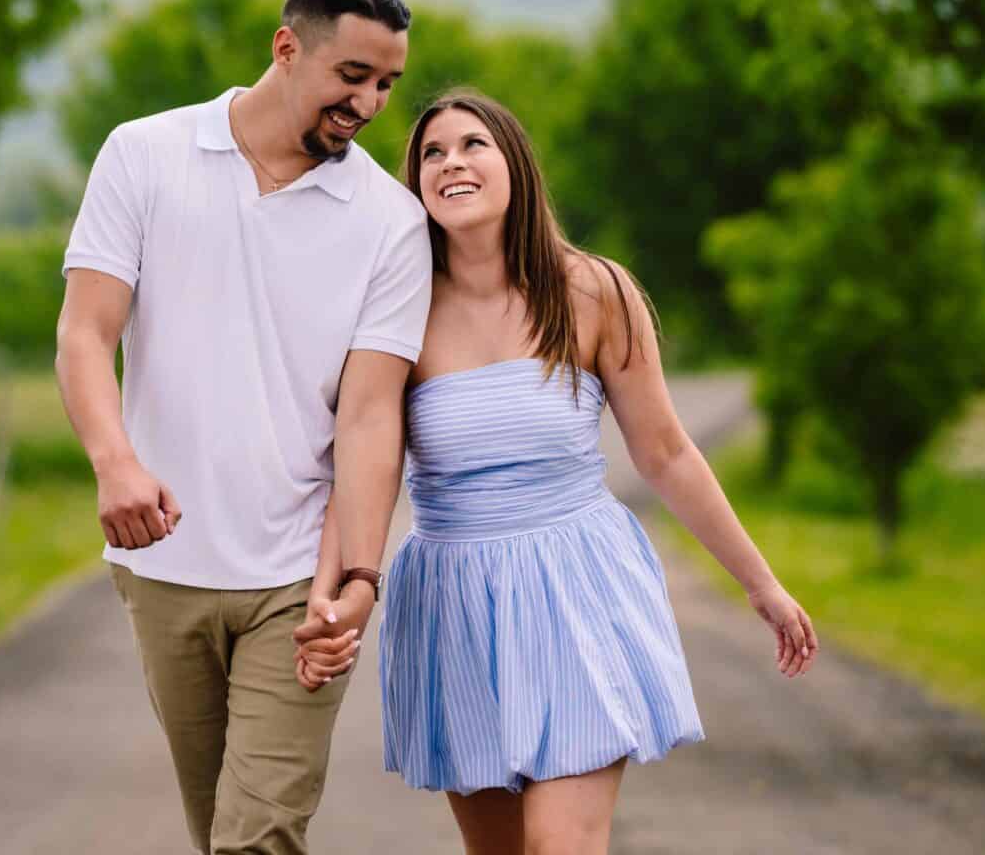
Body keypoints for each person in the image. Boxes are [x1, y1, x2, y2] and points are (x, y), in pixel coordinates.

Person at [297, 90, 819, 855]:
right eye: (432, 155)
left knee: (559, 845)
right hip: (453, 604)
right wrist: (338, 589)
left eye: (473, 144)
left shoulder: (592, 292)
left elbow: (666, 453)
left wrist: (761, 583)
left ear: (515, 165)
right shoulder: (395, 310)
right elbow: (363, 460)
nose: (452, 163)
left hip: (576, 585)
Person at [54, 0, 432, 855]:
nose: (371, 104)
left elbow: (372, 419)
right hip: (161, 567)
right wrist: (115, 463)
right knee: (216, 827)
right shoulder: (144, 154)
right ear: (287, 47)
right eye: (352, 76)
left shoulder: (390, 221)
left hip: (299, 578)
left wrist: (361, 578)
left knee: (257, 837)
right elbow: (83, 335)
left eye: (387, 84)